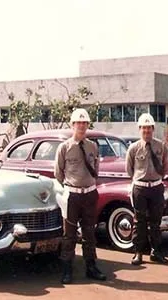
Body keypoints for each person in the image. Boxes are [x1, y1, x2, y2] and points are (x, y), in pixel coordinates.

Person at [54, 108, 106, 285]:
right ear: (72, 125)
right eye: (79, 123)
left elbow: (96, 169)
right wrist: (71, 186)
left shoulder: (93, 146)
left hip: (90, 194)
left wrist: (88, 184)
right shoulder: (64, 147)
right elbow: (58, 173)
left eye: (85, 123)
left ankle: (91, 267)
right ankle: (67, 269)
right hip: (72, 196)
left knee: (89, 233)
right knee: (69, 235)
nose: (82, 126)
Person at [126, 113, 168, 266]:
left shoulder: (161, 146)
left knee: (156, 222)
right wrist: (140, 180)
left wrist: (157, 179)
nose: (146, 131)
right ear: (140, 129)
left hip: (156, 187)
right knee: (139, 221)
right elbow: (129, 170)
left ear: (153, 129)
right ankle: (138, 252)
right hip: (140, 188)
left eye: (149, 128)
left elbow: (165, 166)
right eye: (144, 128)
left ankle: (156, 252)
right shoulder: (133, 148)